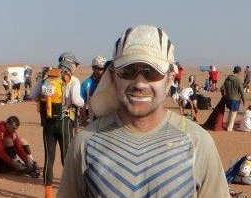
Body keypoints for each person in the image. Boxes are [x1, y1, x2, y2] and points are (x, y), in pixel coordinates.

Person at [57, 25, 229, 198]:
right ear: (113, 76)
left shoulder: (197, 143)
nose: (139, 83)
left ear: (169, 79)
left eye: (151, 72)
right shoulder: (86, 143)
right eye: (127, 71)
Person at [29, 52, 84, 198]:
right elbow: (77, 101)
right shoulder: (73, 80)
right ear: (70, 64)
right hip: (65, 122)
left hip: (48, 123)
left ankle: (48, 195)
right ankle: (68, 192)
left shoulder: (46, 76)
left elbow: (32, 95)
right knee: (66, 158)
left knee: (49, 159)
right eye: (75, 64)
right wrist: (83, 103)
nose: (75, 67)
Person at [80, 55, 107, 127]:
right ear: (93, 68)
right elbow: (82, 104)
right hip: (93, 122)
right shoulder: (86, 84)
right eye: (99, 69)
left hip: (108, 122)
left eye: (103, 69)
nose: (102, 71)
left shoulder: (108, 82)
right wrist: (84, 121)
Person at [220, 66, 245, 131]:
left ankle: (226, 124)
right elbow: (242, 91)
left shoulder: (227, 79)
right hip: (235, 100)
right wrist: (244, 101)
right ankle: (229, 128)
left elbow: (222, 88)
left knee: (230, 112)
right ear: (239, 71)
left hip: (228, 99)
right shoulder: (238, 80)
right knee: (233, 114)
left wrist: (223, 95)